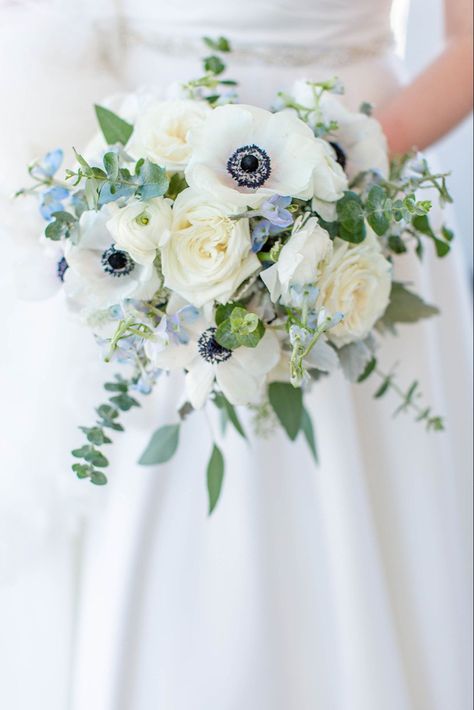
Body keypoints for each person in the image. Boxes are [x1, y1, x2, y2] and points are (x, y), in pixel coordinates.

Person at [0, 1, 471, 709]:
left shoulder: (354, 174)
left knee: (352, 515)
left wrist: (339, 174)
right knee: (150, 519)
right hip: (138, 188)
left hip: (363, 182)